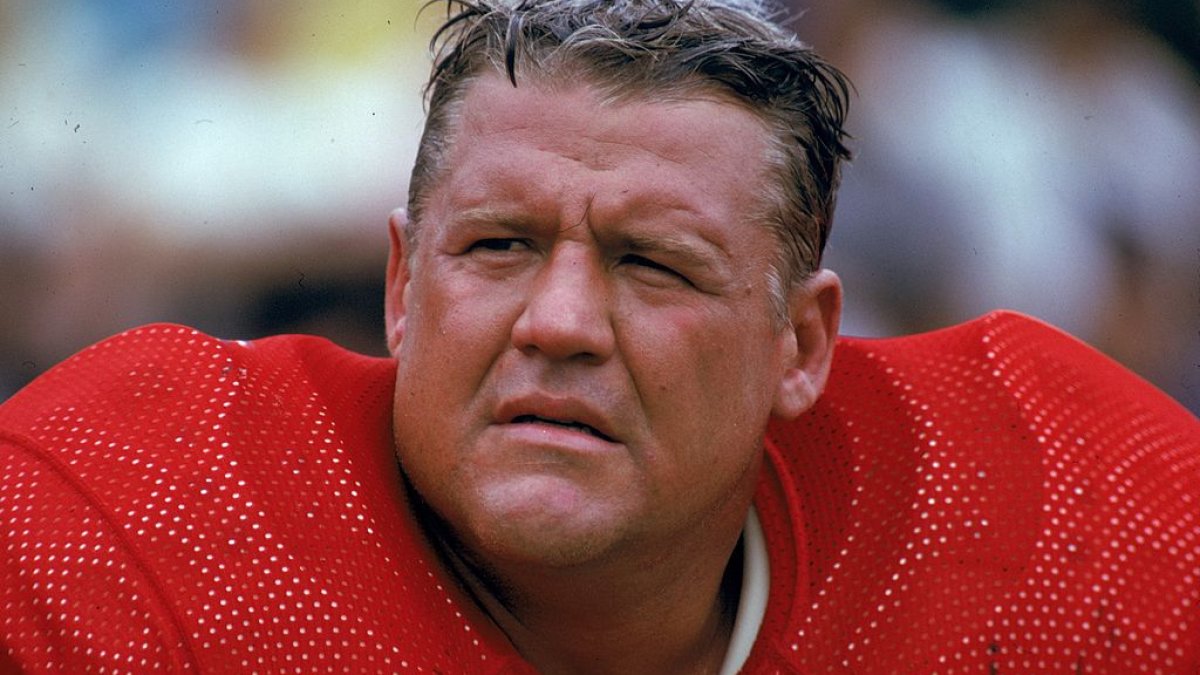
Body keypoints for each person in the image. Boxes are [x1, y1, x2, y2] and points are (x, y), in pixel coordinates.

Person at [1, 0, 1197, 672]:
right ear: (403, 286)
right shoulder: (134, 506)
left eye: (654, 264)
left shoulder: (1059, 519)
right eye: (499, 247)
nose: (561, 322)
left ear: (801, 345)